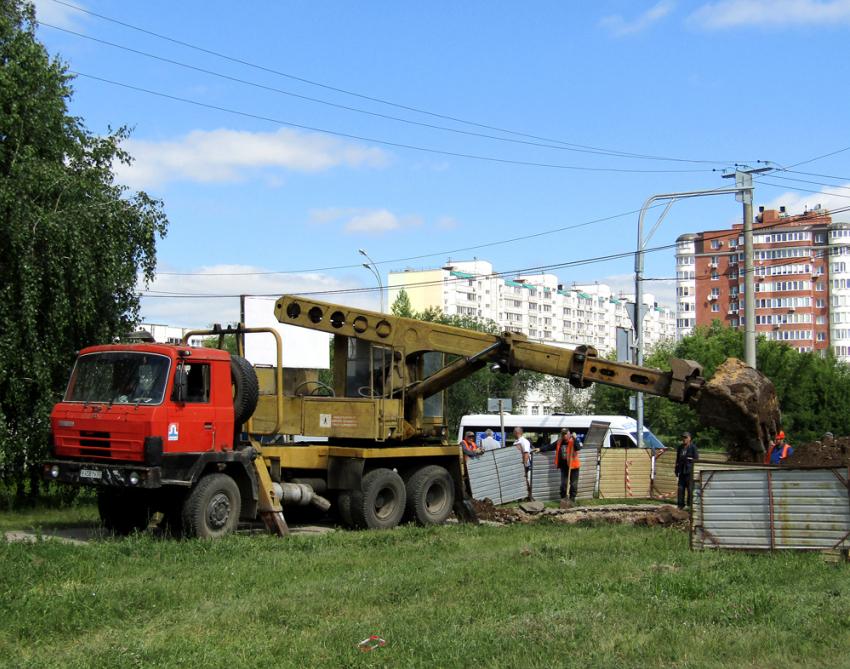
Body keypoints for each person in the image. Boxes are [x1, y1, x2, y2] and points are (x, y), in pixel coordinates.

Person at [539, 428, 582, 506]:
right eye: (563, 434)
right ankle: (563, 499)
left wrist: (575, 439)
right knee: (563, 485)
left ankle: (572, 500)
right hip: (564, 467)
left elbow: (578, 448)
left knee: (573, 485)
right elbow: (550, 446)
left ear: (569, 434)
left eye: (565, 434)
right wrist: (540, 448)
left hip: (574, 467)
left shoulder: (573, 441)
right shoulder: (559, 442)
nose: (564, 436)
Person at [675, 431, 699, 510]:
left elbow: (696, 460)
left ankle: (689, 504)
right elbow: (677, 459)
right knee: (681, 488)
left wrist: (694, 470)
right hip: (681, 471)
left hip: (689, 471)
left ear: (689, 439)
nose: (684, 439)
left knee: (690, 489)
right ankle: (680, 504)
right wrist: (676, 469)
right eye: (683, 438)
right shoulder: (680, 447)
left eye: (686, 438)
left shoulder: (693, 448)